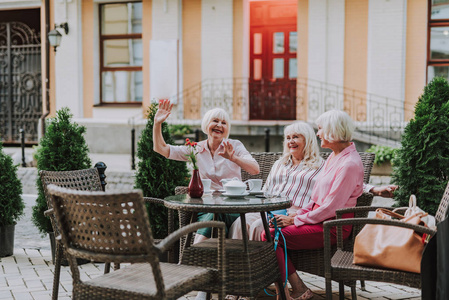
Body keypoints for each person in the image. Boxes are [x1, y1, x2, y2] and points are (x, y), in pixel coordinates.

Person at [261, 110, 364, 300]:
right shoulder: (334, 157)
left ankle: (288, 291)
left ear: (333, 131)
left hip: (333, 226)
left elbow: (331, 208)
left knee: (270, 235)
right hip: (318, 219)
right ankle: (291, 289)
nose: (317, 134)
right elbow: (315, 199)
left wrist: (294, 219)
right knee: (270, 231)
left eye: (320, 129)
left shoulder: (348, 163)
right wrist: (295, 218)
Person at [229, 121, 324, 241]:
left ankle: (260, 259)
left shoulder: (319, 166)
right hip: (268, 209)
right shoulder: (279, 164)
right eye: (288, 138)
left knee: (258, 226)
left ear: (308, 140)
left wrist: (298, 215)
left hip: (293, 213)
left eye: (295, 137)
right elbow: (265, 190)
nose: (291, 141)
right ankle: (237, 259)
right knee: (240, 223)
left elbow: (319, 200)